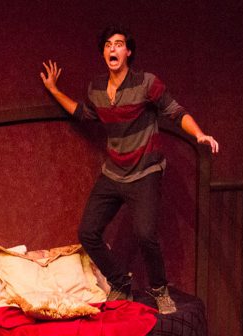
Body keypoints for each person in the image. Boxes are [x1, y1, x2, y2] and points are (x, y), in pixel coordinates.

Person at [40, 24, 219, 314]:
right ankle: (121, 283)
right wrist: (53, 90)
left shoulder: (146, 83)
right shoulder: (97, 88)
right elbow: (84, 114)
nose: (113, 48)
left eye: (119, 44)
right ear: (103, 53)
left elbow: (176, 111)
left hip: (146, 171)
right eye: (108, 44)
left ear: (128, 52)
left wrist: (199, 134)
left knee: (145, 234)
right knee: (87, 232)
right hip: (113, 172)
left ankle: (159, 289)